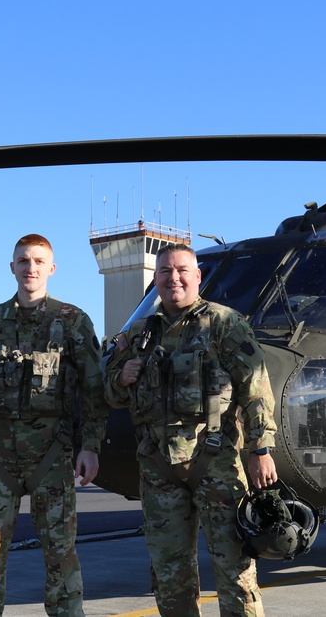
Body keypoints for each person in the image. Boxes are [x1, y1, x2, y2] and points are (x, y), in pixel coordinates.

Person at [104, 243, 278, 617]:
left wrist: (260, 448)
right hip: (158, 469)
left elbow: (256, 387)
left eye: (183, 270)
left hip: (215, 463)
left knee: (235, 570)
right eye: (165, 271)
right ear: (155, 279)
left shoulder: (224, 324)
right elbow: (110, 393)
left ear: (198, 276)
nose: (174, 278)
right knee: (169, 575)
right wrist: (121, 377)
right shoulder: (138, 334)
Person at [0, 233, 107, 617]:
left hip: (52, 458)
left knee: (60, 553)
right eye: (23, 261)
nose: (30, 268)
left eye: (37, 261)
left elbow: (93, 390)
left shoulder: (72, 322)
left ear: (51, 268)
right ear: (12, 267)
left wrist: (91, 446)